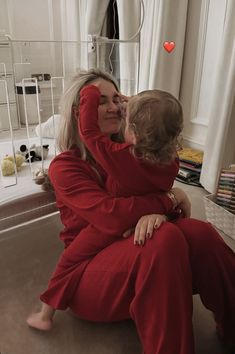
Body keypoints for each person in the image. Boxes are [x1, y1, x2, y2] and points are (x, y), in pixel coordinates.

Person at [27, 69, 235, 354]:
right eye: (100, 101)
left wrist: (161, 210)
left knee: (202, 234)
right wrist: (169, 200)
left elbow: (158, 179)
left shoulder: (134, 153)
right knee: (164, 239)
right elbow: (113, 218)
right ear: (81, 111)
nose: (113, 107)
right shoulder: (65, 166)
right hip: (89, 275)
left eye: (117, 99)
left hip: (135, 255)